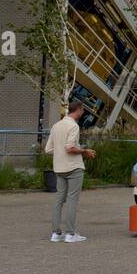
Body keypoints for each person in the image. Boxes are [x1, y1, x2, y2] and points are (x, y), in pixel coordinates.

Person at [45, 101, 96, 243]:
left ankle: (56, 233)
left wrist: (60, 151)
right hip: (73, 167)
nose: (83, 113)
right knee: (72, 199)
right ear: (78, 110)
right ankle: (70, 233)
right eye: (82, 110)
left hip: (59, 167)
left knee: (59, 199)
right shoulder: (74, 126)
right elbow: (70, 148)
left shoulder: (56, 125)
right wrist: (85, 151)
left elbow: (48, 149)